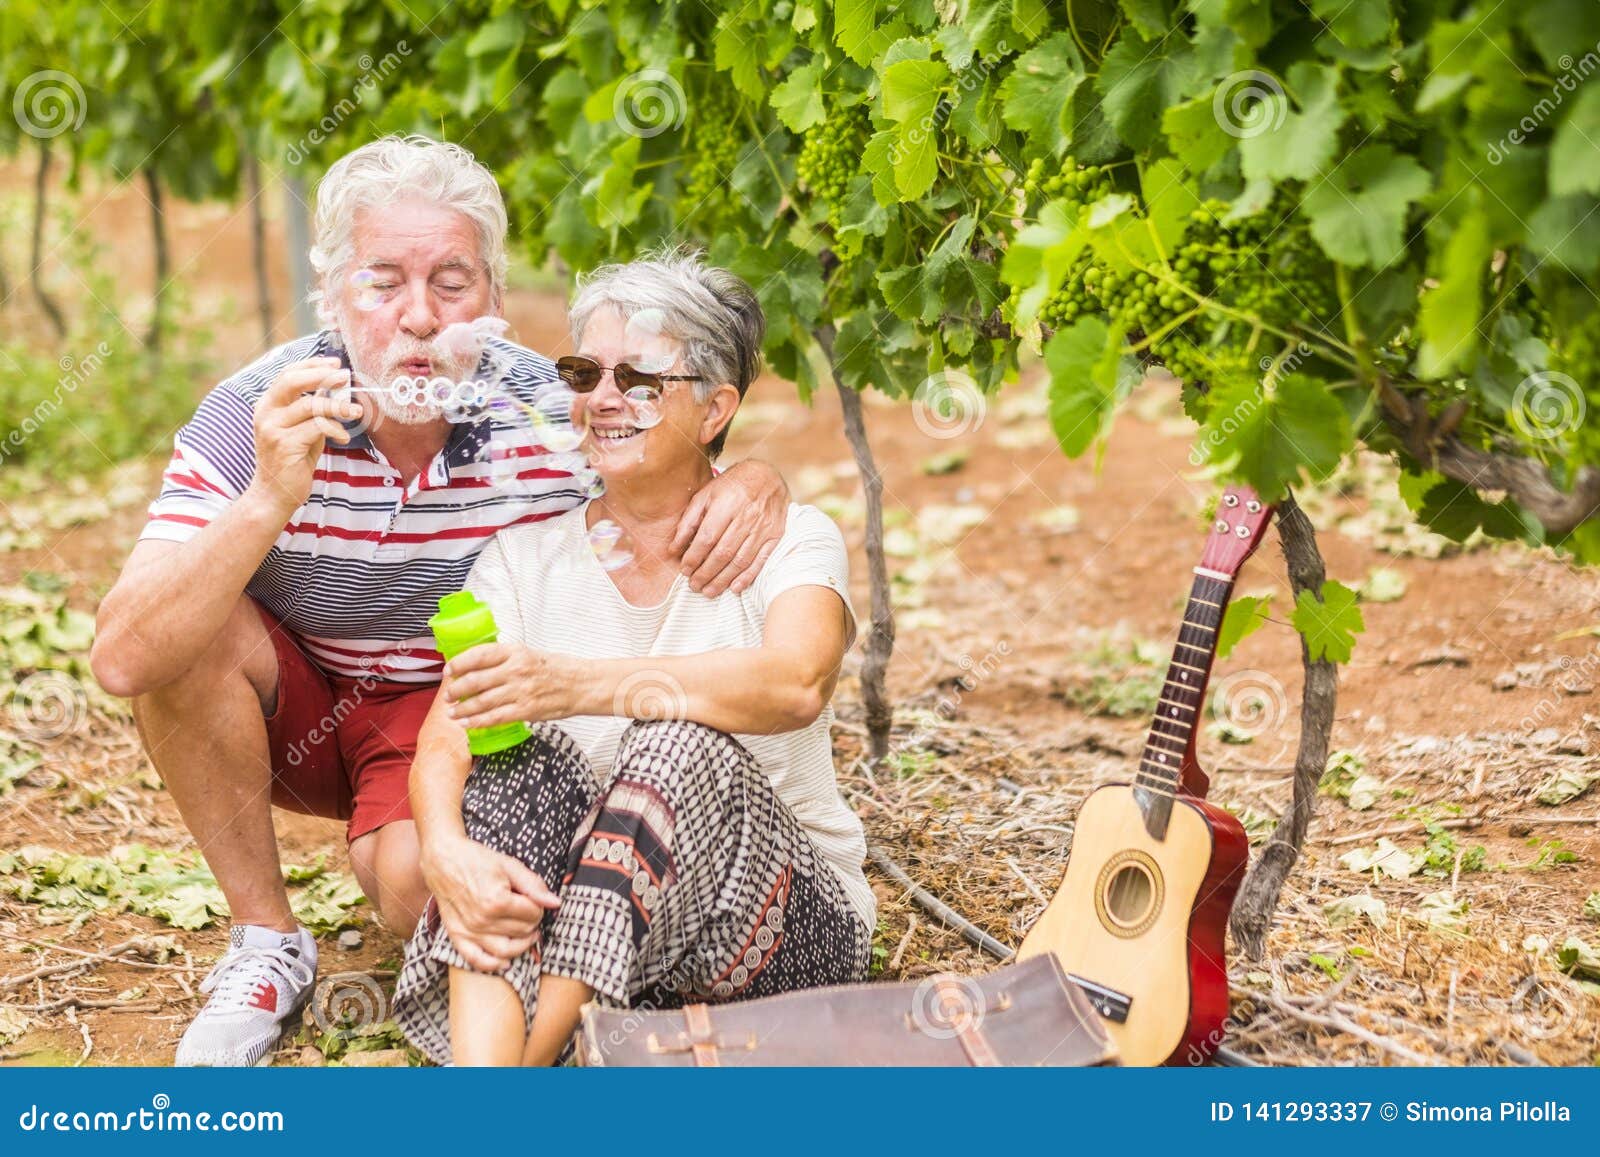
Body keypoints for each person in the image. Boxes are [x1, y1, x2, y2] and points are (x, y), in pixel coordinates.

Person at [87, 136, 790, 1067]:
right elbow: (121, 657)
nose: (418, 317)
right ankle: (267, 942)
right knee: (183, 625)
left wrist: (754, 478)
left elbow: (667, 445)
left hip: (453, 711)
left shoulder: (552, 411)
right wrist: (267, 498)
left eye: (451, 283)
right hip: (290, 696)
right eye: (382, 282)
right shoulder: (253, 409)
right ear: (332, 298)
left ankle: (524, 936)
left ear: (495, 302)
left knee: (423, 892)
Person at [393, 250, 874, 1066]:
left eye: (640, 380)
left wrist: (579, 683)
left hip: (780, 931)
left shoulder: (794, 538)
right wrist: (443, 848)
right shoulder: (522, 558)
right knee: (511, 760)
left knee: (678, 740)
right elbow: (451, 732)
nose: (604, 399)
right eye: (586, 373)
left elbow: (798, 682)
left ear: (716, 408)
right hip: (617, 925)